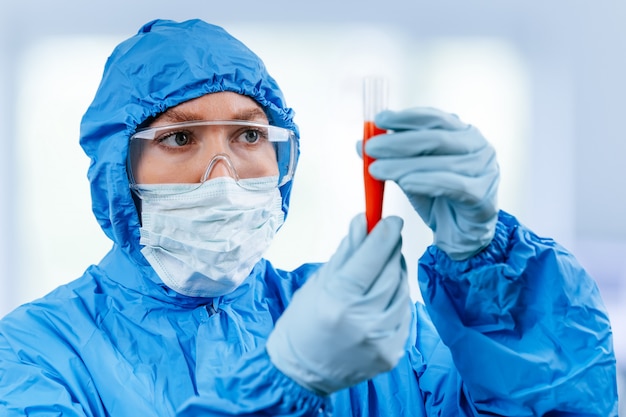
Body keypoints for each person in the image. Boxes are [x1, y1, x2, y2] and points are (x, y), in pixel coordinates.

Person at [0, 18, 618, 416]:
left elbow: (555, 406)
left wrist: (490, 271)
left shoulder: (364, 330)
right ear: (118, 170)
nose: (224, 172)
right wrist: (282, 380)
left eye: (247, 133)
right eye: (179, 140)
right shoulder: (35, 357)